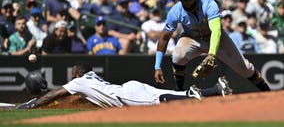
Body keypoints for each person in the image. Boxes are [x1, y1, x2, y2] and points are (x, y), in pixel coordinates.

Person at [154, 0, 271, 92]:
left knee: (245, 68)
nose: (186, 2)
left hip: (215, 38)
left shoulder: (209, 4)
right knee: (177, 56)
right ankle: (180, 91)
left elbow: (216, 30)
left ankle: (267, 91)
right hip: (192, 38)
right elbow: (164, 37)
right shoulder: (176, 11)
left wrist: (211, 54)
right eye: (183, 0)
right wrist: (157, 66)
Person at [16, 62, 232, 109]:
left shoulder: (79, 80)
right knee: (172, 93)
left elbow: (55, 93)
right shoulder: (90, 77)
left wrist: (31, 105)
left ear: (76, 73)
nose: (71, 74)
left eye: (73, 72)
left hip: (126, 95)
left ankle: (194, 99)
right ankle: (215, 89)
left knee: (159, 101)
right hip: (130, 88)